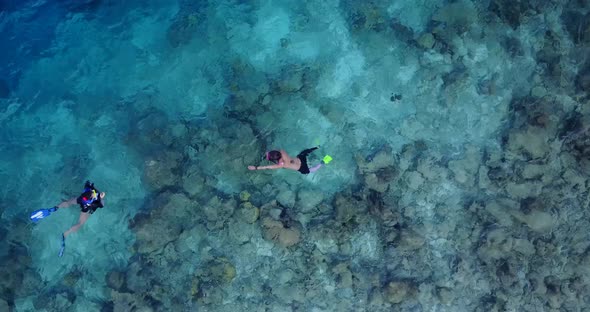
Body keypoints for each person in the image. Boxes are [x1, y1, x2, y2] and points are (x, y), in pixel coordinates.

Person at [54, 181, 106, 256]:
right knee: (80, 223)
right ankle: (66, 234)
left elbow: (88, 182)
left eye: (93, 192)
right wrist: (100, 197)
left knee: (69, 202)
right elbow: (101, 205)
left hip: (80, 200)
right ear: (91, 198)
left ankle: (56, 207)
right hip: (86, 209)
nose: (95, 194)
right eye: (93, 194)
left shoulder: (86, 192)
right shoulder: (96, 201)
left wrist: (94, 190)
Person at [248, 147, 324, 174]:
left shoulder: (281, 164)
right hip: (301, 158)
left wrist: (255, 168)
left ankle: (323, 162)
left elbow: (269, 167)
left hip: (302, 168)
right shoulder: (282, 151)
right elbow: (275, 150)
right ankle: (317, 147)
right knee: (305, 152)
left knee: (311, 170)